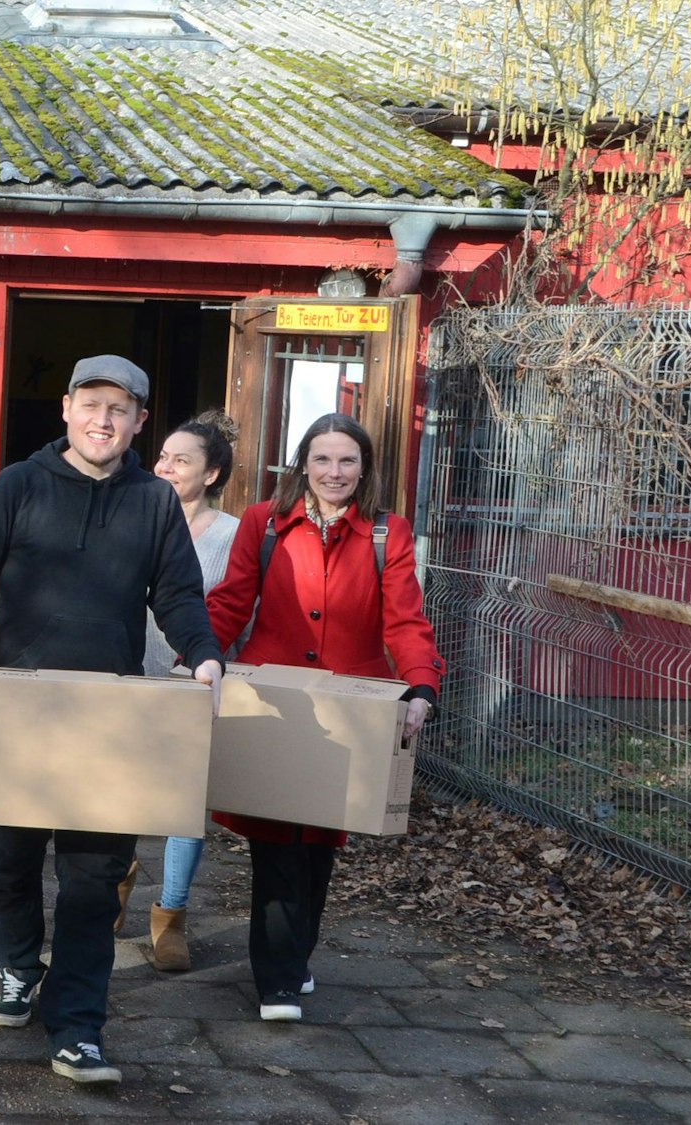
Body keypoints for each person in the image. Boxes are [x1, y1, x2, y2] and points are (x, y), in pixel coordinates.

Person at [0, 355, 223, 1088]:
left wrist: (204, 656)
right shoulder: (19, 485)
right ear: (66, 408)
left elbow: (178, 594)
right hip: (19, 711)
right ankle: (18, 966)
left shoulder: (154, 502)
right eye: (91, 404)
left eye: (119, 409)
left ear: (139, 422)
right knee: (12, 861)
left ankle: (79, 1027)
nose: (103, 419)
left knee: (95, 879)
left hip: (110, 718)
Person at [203, 412, 441, 1023]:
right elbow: (232, 601)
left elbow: (404, 618)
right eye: (322, 459)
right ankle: (278, 980)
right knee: (277, 841)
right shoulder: (264, 522)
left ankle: (295, 955)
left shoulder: (388, 532)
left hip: (350, 706)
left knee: (318, 843)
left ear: (364, 467)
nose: (334, 472)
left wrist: (420, 685)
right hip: (277, 702)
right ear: (303, 464)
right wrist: (198, 656)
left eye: (347, 460)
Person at [137, 411, 243, 972]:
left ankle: (170, 915)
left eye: (181, 460)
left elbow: (240, 613)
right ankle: (116, 880)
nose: (166, 467)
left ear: (211, 473)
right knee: (122, 790)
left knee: (185, 799)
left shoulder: (233, 536)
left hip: (192, 684)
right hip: (129, 677)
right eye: (162, 457)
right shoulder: (131, 517)